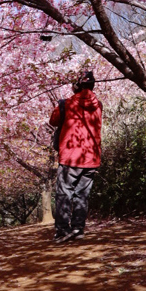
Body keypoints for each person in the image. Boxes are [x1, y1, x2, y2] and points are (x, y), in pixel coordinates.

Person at [48, 71, 102, 242]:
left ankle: (63, 230)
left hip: (70, 157)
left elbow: (53, 121)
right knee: (82, 195)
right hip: (91, 158)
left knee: (64, 194)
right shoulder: (98, 105)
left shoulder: (66, 104)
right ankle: (78, 229)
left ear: (77, 86)